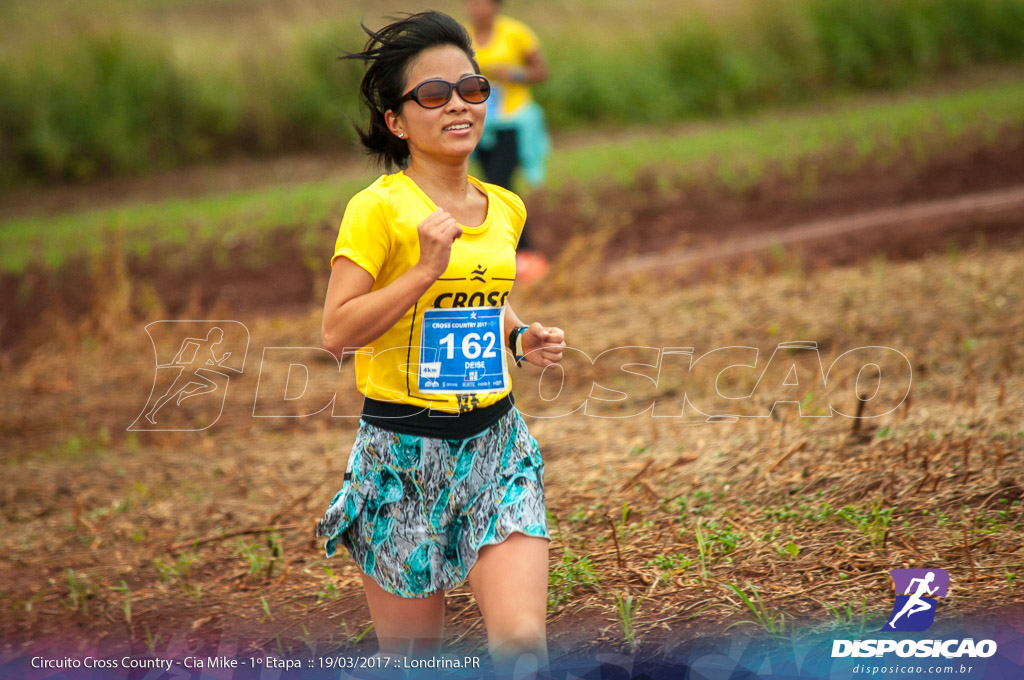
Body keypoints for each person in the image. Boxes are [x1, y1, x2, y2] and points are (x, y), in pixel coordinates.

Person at [314, 11, 565, 677]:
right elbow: (336, 330)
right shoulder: (379, 209)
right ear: (397, 121)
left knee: (521, 646)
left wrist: (518, 336)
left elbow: (484, 295)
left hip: (496, 448)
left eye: (471, 88)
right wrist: (422, 271)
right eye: (432, 93)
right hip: (400, 461)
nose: (457, 103)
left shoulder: (505, 207)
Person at [465, 0, 551, 283]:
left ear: (495, 5)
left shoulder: (516, 33)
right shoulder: (462, 38)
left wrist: (510, 74)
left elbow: (541, 72)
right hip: (480, 123)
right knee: (492, 184)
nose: (477, 8)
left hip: (513, 121)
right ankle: (516, 254)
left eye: (483, 2)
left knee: (500, 184)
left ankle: (527, 254)